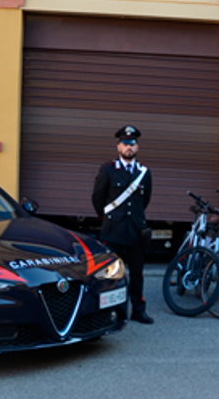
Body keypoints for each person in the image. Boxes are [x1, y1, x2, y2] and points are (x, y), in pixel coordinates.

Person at [92, 125, 154, 324]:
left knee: (137, 274)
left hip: (136, 230)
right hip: (113, 230)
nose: (129, 147)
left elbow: (144, 201)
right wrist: (110, 218)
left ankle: (138, 309)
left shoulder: (144, 173)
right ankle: (111, 311)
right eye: (125, 144)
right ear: (118, 147)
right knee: (110, 274)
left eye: (132, 144)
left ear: (137, 148)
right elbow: (97, 199)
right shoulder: (108, 170)